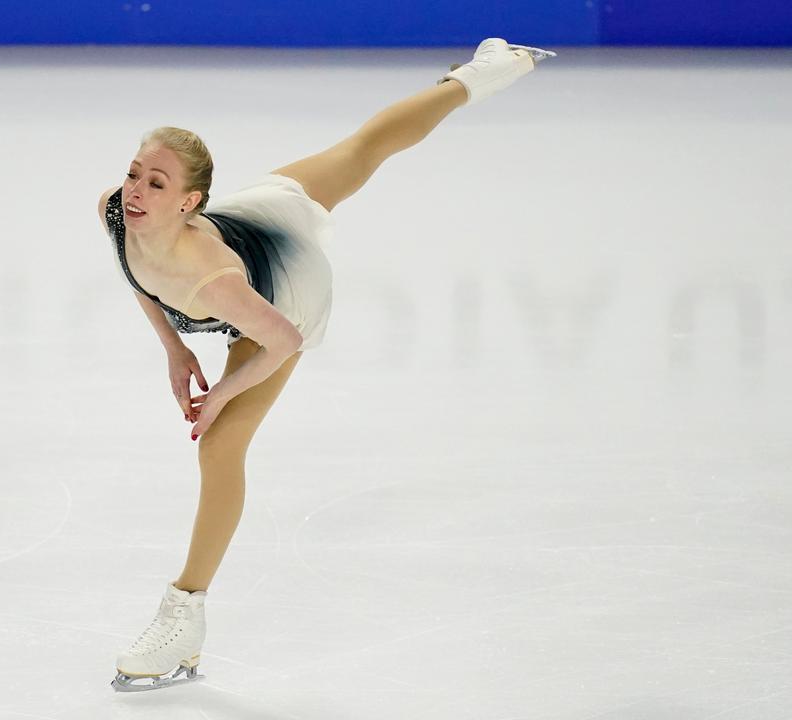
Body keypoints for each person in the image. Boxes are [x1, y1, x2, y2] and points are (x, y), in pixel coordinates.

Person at [102, 38, 555, 692]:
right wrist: (174, 348)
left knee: (219, 448)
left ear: (190, 202)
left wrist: (227, 389)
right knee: (361, 149)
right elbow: (137, 270)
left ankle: (185, 614)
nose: (136, 191)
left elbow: (281, 340)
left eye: (157, 183)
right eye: (135, 172)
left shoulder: (219, 283)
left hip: (285, 293)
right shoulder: (117, 212)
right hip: (261, 216)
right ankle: (484, 73)